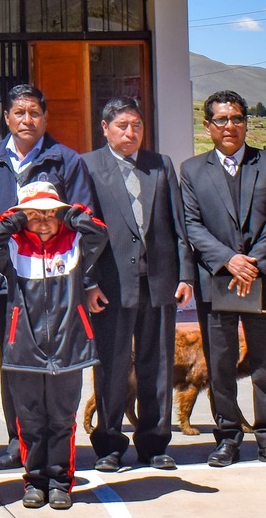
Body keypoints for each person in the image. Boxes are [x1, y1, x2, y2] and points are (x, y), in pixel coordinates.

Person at [0, 84, 96, 472]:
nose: (27, 120)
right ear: (6, 117)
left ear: (46, 117)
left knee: (58, 368)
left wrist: (87, 283)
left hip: (57, 285)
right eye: (19, 113)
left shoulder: (66, 160)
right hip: (8, 283)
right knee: (13, 364)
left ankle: (55, 455)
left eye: (35, 113)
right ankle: (17, 440)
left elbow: (84, 222)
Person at [180, 91, 266, 469]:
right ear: (208, 126)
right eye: (221, 120)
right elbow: (192, 225)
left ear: (246, 122)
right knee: (220, 363)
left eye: (237, 119)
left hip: (263, 278)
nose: (230, 126)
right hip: (217, 279)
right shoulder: (193, 170)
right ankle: (227, 437)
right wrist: (229, 260)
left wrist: (253, 263)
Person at [0, 180, 109, 509]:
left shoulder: (75, 245)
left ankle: (60, 482)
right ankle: (35, 481)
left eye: (49, 213)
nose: (42, 220)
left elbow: (99, 232)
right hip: (25, 348)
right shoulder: (13, 248)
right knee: (31, 419)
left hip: (68, 348)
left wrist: (70, 216)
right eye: (33, 214)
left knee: (62, 418)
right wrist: (15, 219)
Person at [82, 96, 193, 471]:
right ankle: (109, 443)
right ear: (105, 128)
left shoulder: (159, 165)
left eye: (137, 126)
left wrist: (185, 275)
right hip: (111, 285)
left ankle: (154, 442)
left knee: (157, 364)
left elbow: (178, 226)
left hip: (159, 280)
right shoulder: (89, 166)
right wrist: (88, 282)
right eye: (122, 126)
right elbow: (84, 231)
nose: (130, 133)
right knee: (111, 365)